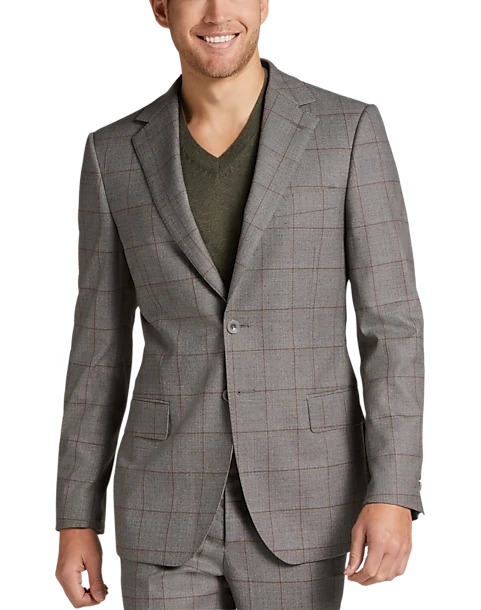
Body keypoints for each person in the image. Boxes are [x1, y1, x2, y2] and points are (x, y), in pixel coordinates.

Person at [54, 0, 424, 608]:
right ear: (161, 8)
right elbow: (99, 350)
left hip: (307, 495)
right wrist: (75, 517)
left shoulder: (347, 132)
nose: (216, 12)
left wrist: (393, 491)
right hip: (163, 503)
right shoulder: (113, 153)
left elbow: (393, 328)